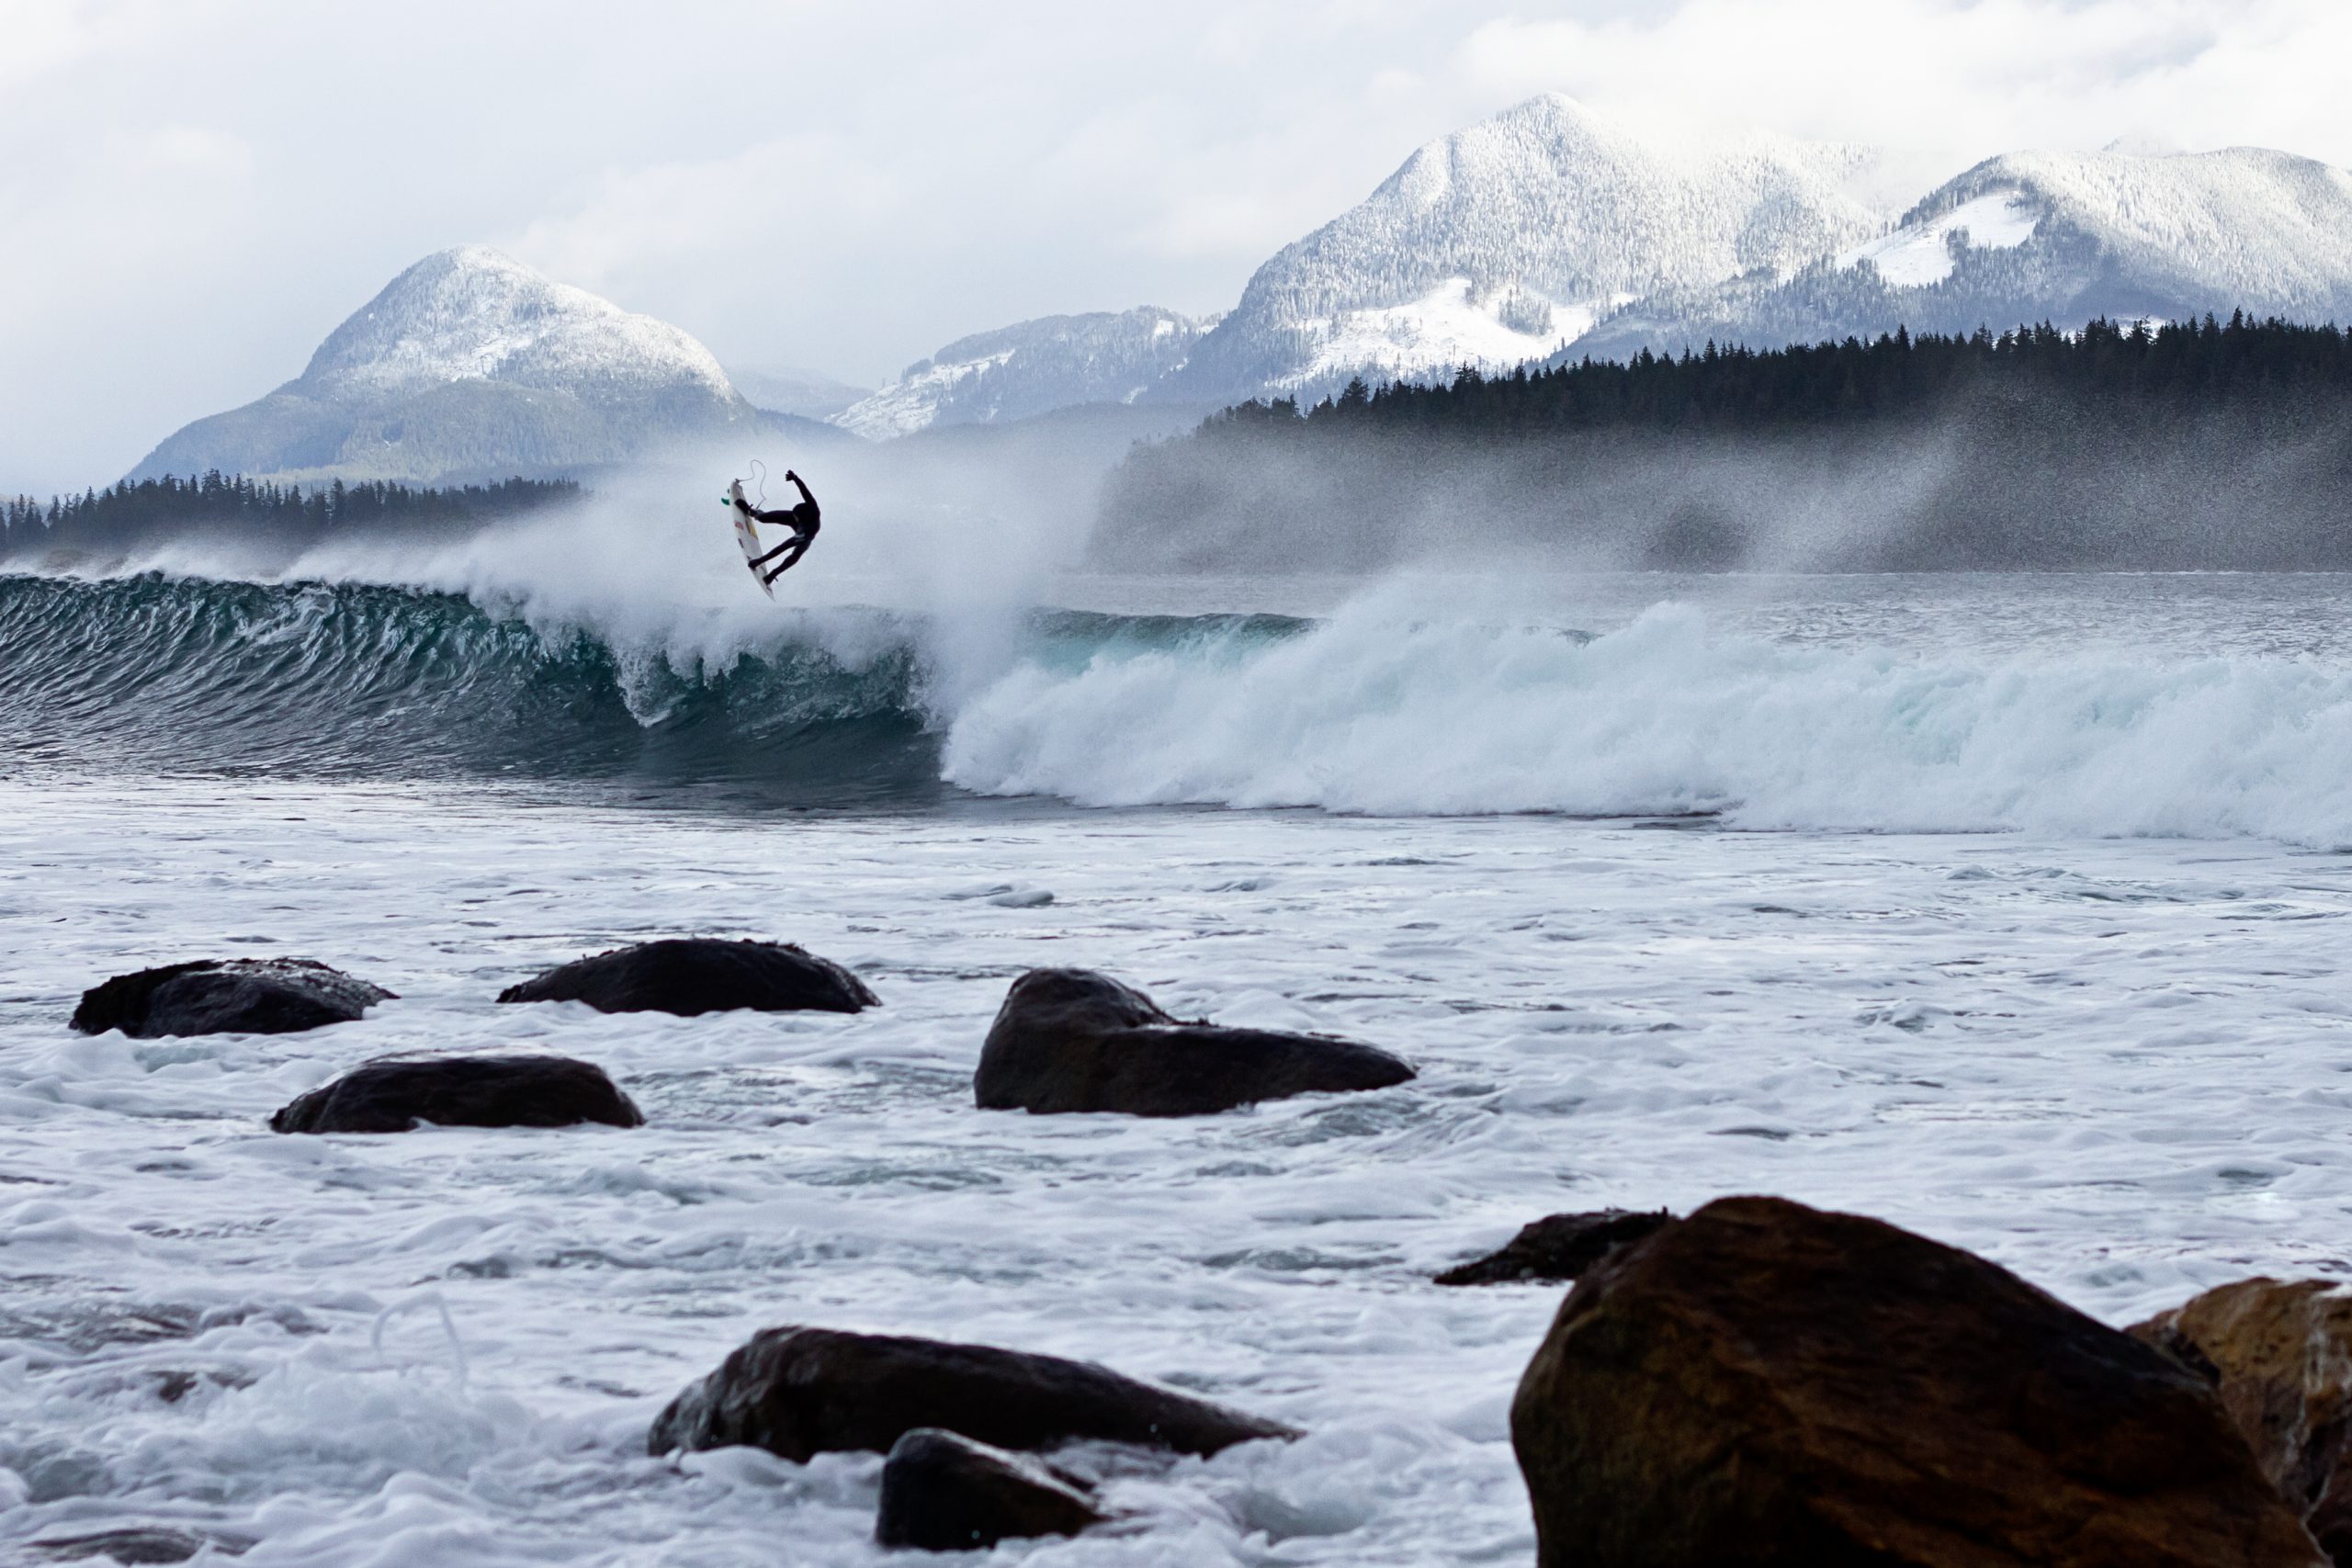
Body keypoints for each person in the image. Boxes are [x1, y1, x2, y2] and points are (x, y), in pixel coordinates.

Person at [729, 469, 821, 584]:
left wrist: (759, 561)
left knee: (795, 556)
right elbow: (804, 490)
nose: (794, 517)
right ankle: (753, 512)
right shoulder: (811, 505)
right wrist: (795, 478)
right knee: (764, 518)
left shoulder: (807, 532)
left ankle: (772, 575)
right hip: (800, 520)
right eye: (795, 515)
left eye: (796, 517)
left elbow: (782, 548)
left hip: (806, 535)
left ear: (801, 518)